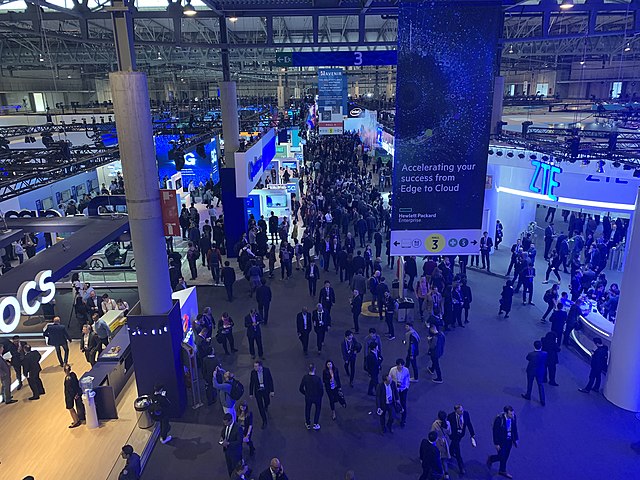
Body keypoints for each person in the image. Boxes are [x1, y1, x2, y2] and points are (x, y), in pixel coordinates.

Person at [487, 406, 519, 479]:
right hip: (501, 442)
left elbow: (515, 428)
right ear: (506, 413)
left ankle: (502, 470)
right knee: (501, 456)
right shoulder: (499, 419)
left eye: (513, 414)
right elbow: (495, 432)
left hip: (509, 441)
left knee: (506, 456)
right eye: (511, 414)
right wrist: (496, 444)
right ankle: (492, 458)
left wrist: (516, 439)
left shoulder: (513, 417)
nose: (512, 416)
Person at [447, 405, 475, 476]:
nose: (462, 412)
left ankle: (450, 451)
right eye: (460, 411)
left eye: (462, 410)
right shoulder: (450, 416)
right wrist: (449, 435)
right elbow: (448, 427)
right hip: (454, 435)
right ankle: (461, 467)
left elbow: (469, 424)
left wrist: (472, 434)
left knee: (454, 444)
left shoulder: (466, 414)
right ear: (456, 411)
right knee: (458, 451)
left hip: (461, 434)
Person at [249, 360, 274, 429]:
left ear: (260, 366)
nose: (255, 368)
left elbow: (270, 380)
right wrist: (251, 393)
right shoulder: (253, 373)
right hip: (258, 392)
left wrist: (272, 391)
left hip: (266, 390)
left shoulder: (266, 370)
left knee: (267, 401)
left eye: (256, 366)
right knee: (260, 406)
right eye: (254, 366)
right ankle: (264, 420)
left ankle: (266, 405)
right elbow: (252, 383)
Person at [521, 340, 547, 406]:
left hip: (531, 370)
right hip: (540, 371)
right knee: (540, 385)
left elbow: (527, 358)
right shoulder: (545, 354)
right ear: (541, 346)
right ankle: (542, 400)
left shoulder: (531, 354)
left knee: (530, 383)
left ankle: (528, 395)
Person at [299, 363, 324, 430]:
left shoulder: (305, 378)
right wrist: (320, 396)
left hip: (308, 397)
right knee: (317, 410)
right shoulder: (318, 379)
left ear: (308, 369)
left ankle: (308, 423)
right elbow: (321, 389)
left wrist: (305, 393)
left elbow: (301, 388)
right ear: (314, 369)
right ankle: (315, 423)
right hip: (317, 397)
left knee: (307, 409)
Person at [220, 412, 244, 477]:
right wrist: (222, 438)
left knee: (236, 468)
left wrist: (228, 443)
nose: (225, 424)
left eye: (226, 423)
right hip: (227, 451)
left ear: (230, 420)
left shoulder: (238, 428)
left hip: (235, 453)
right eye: (224, 423)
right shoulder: (225, 425)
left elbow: (239, 441)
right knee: (229, 467)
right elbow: (223, 432)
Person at [389, 358, 410, 427]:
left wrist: (407, 386)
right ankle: (397, 411)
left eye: (402, 366)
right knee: (395, 402)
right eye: (399, 366)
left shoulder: (406, 370)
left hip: (403, 389)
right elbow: (390, 379)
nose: (400, 367)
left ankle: (403, 420)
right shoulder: (392, 370)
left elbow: (407, 378)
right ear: (397, 365)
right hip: (395, 389)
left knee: (403, 403)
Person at [431, 410, 452, 479]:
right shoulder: (448, 424)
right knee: (444, 459)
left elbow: (432, 433)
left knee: (436, 457)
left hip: (437, 442)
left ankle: (437, 472)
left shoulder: (435, 424)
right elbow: (449, 433)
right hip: (444, 442)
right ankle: (446, 474)